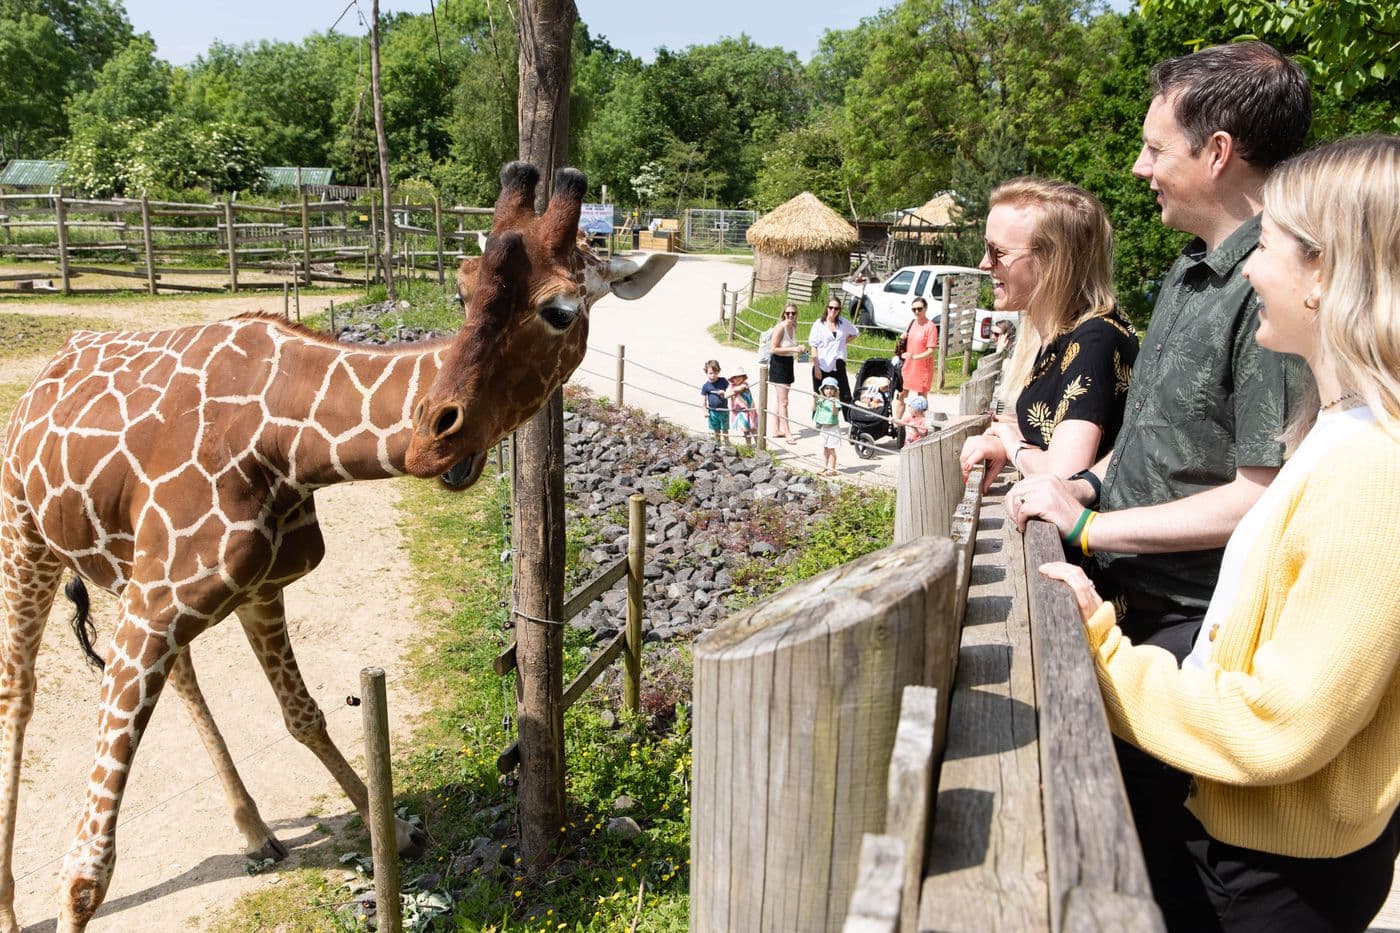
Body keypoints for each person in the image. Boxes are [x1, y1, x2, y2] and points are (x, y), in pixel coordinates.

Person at [1041, 134, 1400, 933]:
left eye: (1267, 247)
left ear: (1326, 275)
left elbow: (1280, 722)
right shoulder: (1340, 430)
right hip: (1255, 837)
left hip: (1280, 868)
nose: (1247, 271)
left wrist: (1101, 651)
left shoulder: (1372, 466)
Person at [1007, 41, 1313, 927]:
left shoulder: (1272, 287)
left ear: (1216, 153)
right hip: (1137, 604)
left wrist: (1090, 532)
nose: (1138, 167)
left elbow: (1265, 491)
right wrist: (1083, 486)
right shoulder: (1189, 272)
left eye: (1155, 148)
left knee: (1154, 871)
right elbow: (1151, 447)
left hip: (1195, 623)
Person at [958, 177, 1139, 492]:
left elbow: (1064, 476)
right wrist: (1010, 448)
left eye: (996, 251)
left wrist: (1010, 441)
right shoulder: (1061, 334)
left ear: (1051, 260)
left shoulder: (1094, 339)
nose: (984, 263)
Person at [809, 297, 859, 417]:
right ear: (827, 308)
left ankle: (850, 420)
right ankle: (819, 418)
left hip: (838, 364)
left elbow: (855, 333)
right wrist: (816, 367)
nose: (833, 310)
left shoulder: (843, 323)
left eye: (836, 308)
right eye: (831, 307)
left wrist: (843, 342)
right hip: (823, 365)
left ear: (839, 310)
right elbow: (813, 347)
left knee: (845, 394)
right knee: (821, 394)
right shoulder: (819, 325)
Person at [764, 305, 807, 442]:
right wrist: (794, 349)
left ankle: (776, 429)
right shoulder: (780, 328)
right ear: (783, 314)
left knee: (780, 399)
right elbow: (773, 349)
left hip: (788, 363)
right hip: (779, 364)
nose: (790, 316)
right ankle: (787, 432)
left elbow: (789, 346)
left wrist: (799, 349)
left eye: (793, 313)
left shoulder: (793, 327)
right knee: (784, 401)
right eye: (787, 313)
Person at [899, 298, 939, 401]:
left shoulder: (931, 327)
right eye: (914, 309)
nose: (917, 312)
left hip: (922, 368)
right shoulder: (912, 323)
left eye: (919, 309)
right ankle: (898, 418)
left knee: (921, 399)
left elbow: (931, 351)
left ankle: (922, 417)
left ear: (926, 309)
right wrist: (904, 337)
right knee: (901, 396)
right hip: (908, 366)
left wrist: (914, 357)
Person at [814, 376, 842, 476]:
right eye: (827, 388)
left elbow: (835, 413)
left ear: (835, 390)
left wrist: (834, 403)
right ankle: (825, 467)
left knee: (831, 449)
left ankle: (832, 469)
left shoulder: (836, 401)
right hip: (824, 428)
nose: (829, 391)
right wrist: (814, 398)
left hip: (833, 428)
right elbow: (813, 409)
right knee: (825, 449)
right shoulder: (822, 400)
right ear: (823, 389)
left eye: (831, 388)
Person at [699, 360, 729, 444]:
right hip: (713, 411)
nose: (713, 375)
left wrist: (724, 392)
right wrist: (705, 411)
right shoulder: (706, 386)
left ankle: (727, 442)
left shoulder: (723, 381)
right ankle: (718, 443)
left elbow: (730, 390)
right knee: (716, 429)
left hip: (724, 410)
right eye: (710, 373)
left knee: (725, 428)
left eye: (715, 373)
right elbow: (703, 400)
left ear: (718, 371)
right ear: (706, 372)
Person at [727, 367, 756, 445]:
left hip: (749, 410)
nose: (738, 379)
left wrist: (733, 391)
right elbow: (726, 395)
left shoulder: (745, 384)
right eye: (735, 377)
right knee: (746, 430)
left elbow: (740, 388)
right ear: (732, 379)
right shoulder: (731, 386)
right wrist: (732, 392)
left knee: (753, 428)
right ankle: (749, 446)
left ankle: (759, 444)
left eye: (740, 376)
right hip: (740, 412)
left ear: (743, 377)